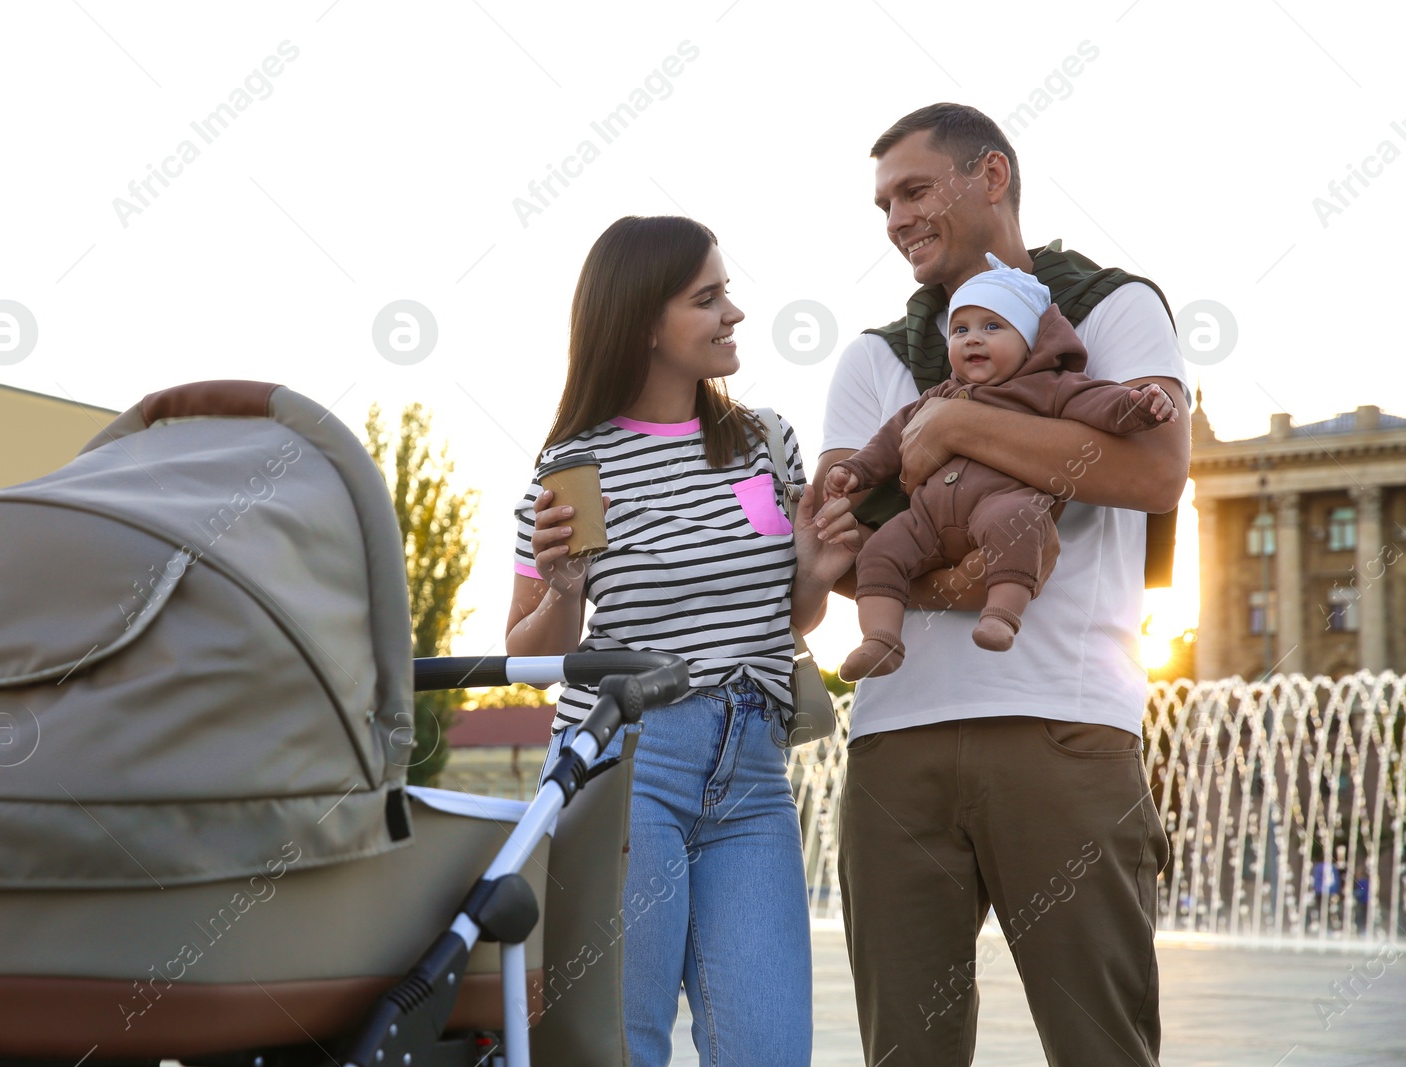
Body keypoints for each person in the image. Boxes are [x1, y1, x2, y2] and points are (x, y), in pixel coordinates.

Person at [812, 103, 1188, 1066]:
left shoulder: (1113, 308)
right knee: (906, 1053)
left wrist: (957, 428)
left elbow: (1150, 473)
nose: (895, 219)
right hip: (896, 746)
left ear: (992, 177)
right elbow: (847, 554)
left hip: (1062, 724)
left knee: (1103, 1049)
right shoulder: (875, 356)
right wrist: (966, 571)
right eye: (883, 202)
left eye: (914, 189)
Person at [506, 214, 854, 1067]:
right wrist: (564, 591)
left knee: (769, 1051)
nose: (733, 312)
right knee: (623, 1049)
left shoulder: (762, 442)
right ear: (642, 324)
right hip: (628, 770)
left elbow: (790, 616)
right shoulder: (575, 469)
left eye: (727, 291)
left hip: (753, 774)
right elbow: (529, 655)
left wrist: (811, 572)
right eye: (707, 298)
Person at [824, 254, 1178, 681]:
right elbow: (891, 439)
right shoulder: (938, 395)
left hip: (1000, 501)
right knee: (881, 550)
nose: (973, 339)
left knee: (1019, 525)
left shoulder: (1048, 387)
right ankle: (879, 638)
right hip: (928, 517)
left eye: (992, 326)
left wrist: (1141, 405)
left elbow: (1100, 404)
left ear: (1030, 340)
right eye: (961, 329)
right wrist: (858, 471)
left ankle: (1001, 615)